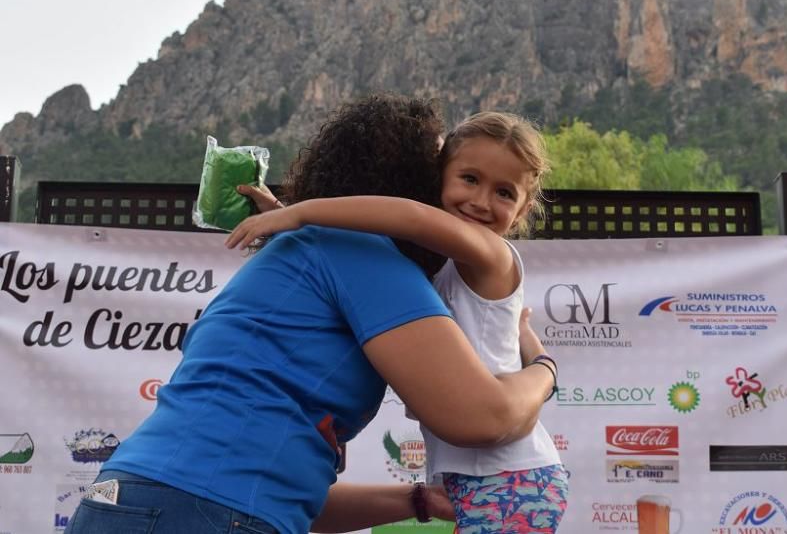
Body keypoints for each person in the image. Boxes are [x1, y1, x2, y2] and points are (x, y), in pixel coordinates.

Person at [64, 96, 556, 534]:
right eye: (456, 174)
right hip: (205, 510)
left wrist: (418, 501)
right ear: (419, 183)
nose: (470, 199)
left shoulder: (297, 254)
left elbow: (293, 500)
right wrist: (544, 372)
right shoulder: (366, 257)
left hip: (122, 499)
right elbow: (482, 418)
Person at [228, 111, 568, 533]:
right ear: (438, 179)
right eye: (469, 179)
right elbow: (362, 246)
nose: (481, 202)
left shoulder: (493, 255)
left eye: (504, 192)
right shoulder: (435, 264)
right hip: (474, 477)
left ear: (522, 211)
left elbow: (412, 218)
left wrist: (299, 213)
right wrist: (283, 213)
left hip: (511, 475)